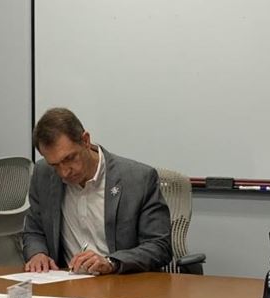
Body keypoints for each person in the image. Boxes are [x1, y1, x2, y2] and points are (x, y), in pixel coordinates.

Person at [23, 107, 172, 274]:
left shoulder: (139, 179)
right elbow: (34, 230)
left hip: (120, 283)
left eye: (69, 158)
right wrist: (37, 253)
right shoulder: (43, 173)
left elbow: (159, 246)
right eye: (55, 165)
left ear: (85, 141)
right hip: (65, 286)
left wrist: (112, 262)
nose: (64, 172)